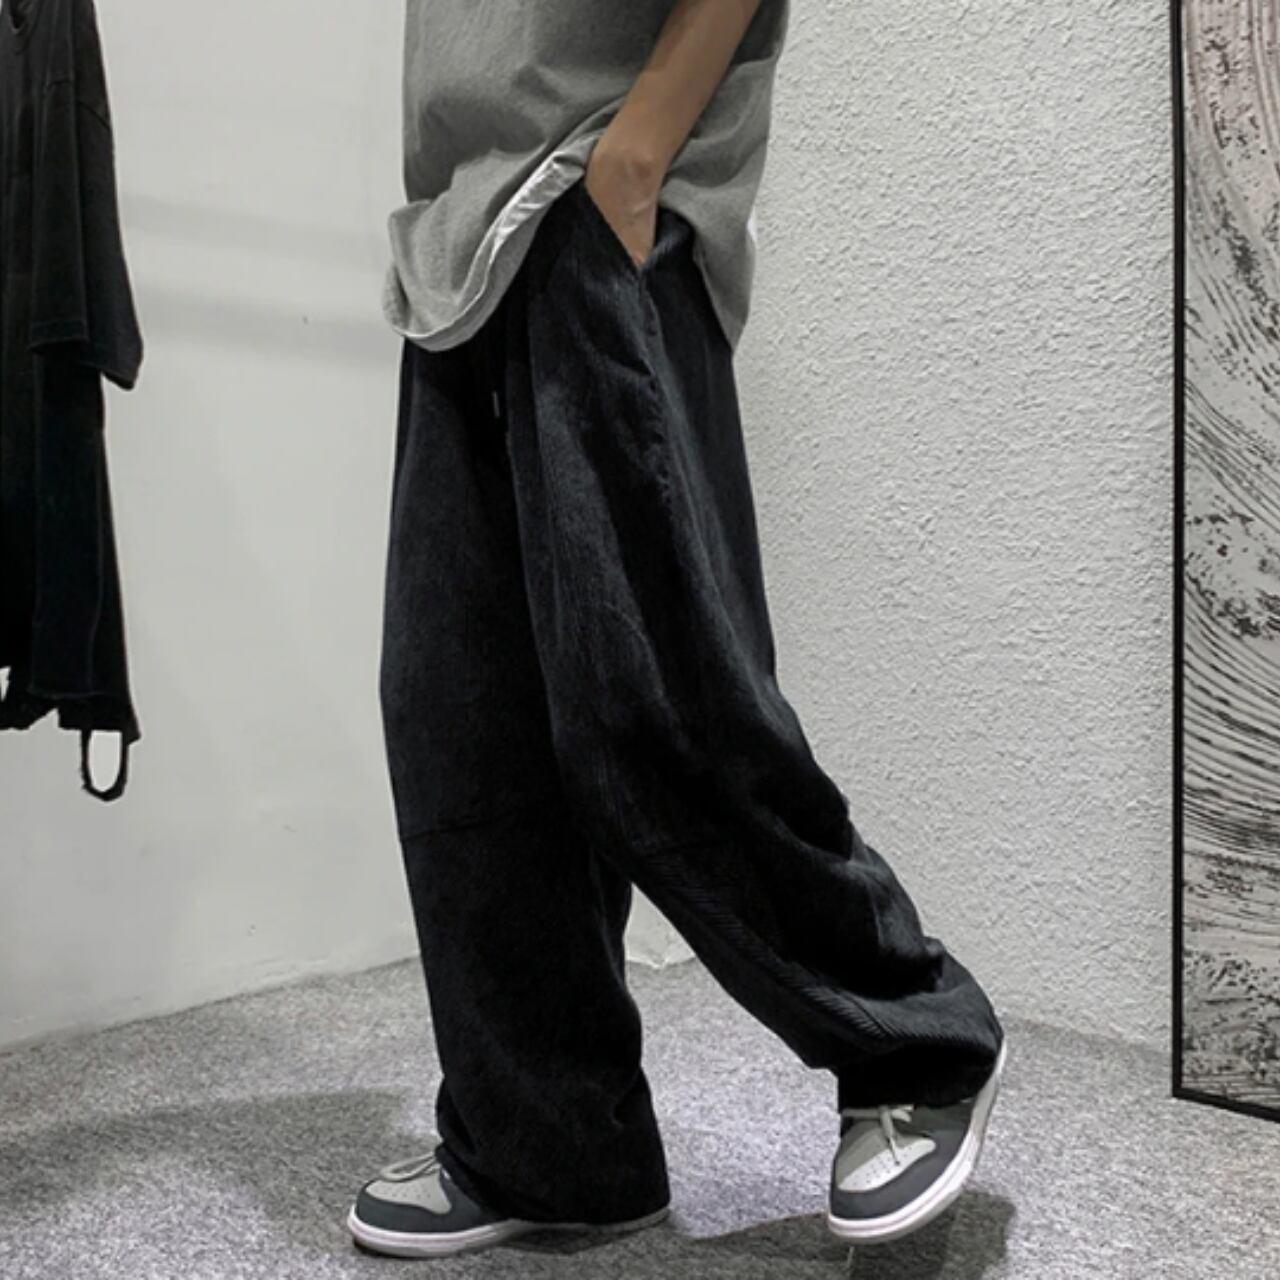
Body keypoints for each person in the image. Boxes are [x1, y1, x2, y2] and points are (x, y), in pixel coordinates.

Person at [346, 0, 1007, 1260]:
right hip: (456, 243)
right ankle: (550, 1143)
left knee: (649, 696)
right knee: (461, 722)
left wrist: (634, 155)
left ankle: (913, 1044)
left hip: (582, 196)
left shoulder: (605, 186)